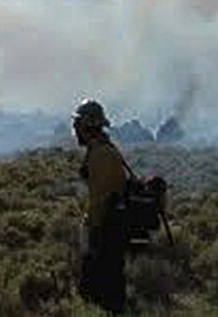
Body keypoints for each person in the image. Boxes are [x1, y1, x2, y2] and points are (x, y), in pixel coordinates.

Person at [74, 99, 128, 315]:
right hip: (107, 230)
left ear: (88, 126)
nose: (75, 130)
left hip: (106, 233)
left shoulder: (101, 154)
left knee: (102, 296)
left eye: (78, 124)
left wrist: (91, 235)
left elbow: (101, 199)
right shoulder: (100, 150)